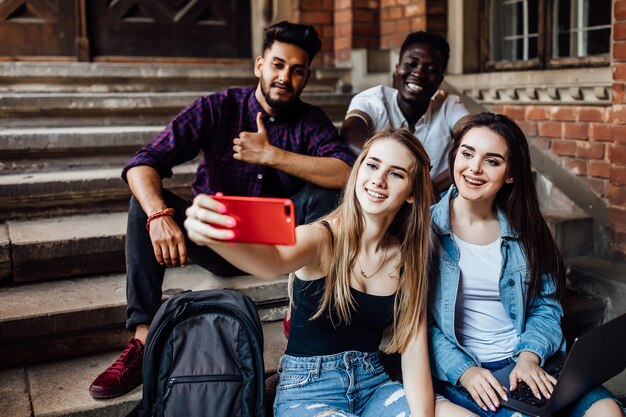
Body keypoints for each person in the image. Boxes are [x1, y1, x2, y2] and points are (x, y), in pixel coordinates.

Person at [88, 21, 355, 400]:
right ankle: (144, 340)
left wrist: (271, 155)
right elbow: (143, 162)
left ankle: (306, 310)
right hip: (219, 241)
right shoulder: (218, 107)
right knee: (143, 203)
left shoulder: (310, 121)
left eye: (297, 70)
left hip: (283, 248)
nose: (285, 77)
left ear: (307, 76)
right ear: (260, 65)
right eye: (278, 65)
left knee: (329, 192)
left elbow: (346, 170)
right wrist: (159, 216)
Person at [185, 129, 477, 417]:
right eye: (372, 165)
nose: (378, 179)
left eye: (396, 174)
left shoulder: (409, 257)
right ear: (358, 170)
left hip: (374, 385)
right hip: (307, 389)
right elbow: (272, 260)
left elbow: (414, 353)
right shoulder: (321, 238)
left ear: (412, 193)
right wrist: (218, 237)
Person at [428, 112, 624, 417]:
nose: (474, 168)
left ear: (510, 174)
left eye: (492, 161)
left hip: (530, 361)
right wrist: (464, 372)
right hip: (471, 373)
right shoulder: (425, 230)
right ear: (455, 157)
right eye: (467, 154)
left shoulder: (526, 229)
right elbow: (415, 324)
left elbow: (546, 307)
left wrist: (529, 356)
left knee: (608, 411)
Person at [340, 31, 471, 195]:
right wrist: (403, 174)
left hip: (433, 201)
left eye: (430, 69)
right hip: (379, 193)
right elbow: (350, 134)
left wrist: (431, 189)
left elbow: (474, 139)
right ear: (397, 68)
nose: (418, 73)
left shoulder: (449, 105)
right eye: (411, 64)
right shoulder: (373, 99)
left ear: (439, 80)